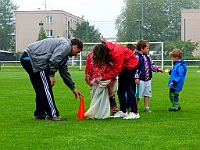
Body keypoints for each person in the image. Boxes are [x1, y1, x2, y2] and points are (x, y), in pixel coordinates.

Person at [20, 37, 83, 121]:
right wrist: (51, 75)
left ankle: (39, 113)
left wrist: (73, 87)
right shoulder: (66, 45)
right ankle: (53, 115)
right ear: (75, 46)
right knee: (46, 88)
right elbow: (54, 59)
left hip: (29, 58)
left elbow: (64, 72)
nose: (77, 54)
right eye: (78, 52)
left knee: (41, 88)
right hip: (35, 59)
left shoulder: (64, 52)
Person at [87, 41, 139, 119]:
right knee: (120, 88)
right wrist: (87, 73)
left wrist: (101, 77)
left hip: (130, 65)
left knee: (128, 87)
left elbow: (116, 71)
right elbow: (90, 56)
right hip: (122, 66)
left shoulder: (117, 53)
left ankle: (135, 112)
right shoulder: (101, 49)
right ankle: (123, 111)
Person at [85, 52, 118, 117]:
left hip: (105, 83)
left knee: (110, 96)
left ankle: (114, 110)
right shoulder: (91, 61)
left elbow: (111, 75)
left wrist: (108, 84)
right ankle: (96, 110)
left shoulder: (107, 65)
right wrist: (90, 80)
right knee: (95, 96)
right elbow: (89, 71)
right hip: (96, 83)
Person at [135, 40, 163, 113]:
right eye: (147, 48)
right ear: (142, 48)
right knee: (138, 95)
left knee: (147, 94)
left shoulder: (148, 57)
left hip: (148, 79)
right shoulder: (137, 57)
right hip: (140, 79)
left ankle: (146, 107)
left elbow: (151, 65)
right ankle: (135, 107)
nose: (148, 49)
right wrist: (136, 77)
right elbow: (135, 68)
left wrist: (158, 69)